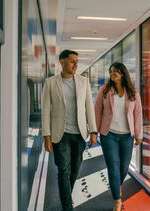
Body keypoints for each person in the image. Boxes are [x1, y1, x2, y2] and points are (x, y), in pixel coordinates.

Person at [42, 49, 97, 211]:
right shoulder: (51, 82)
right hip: (60, 134)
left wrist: (93, 131)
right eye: (72, 61)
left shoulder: (83, 81)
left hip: (79, 133)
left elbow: (89, 107)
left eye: (76, 61)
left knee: (74, 171)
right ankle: (67, 207)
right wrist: (46, 135)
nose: (75, 64)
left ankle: (67, 196)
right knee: (63, 171)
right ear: (62, 62)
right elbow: (46, 111)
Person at [94, 62, 143, 211]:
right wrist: (94, 132)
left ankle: (116, 186)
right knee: (113, 167)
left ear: (123, 73)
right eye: (111, 71)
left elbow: (138, 114)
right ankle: (117, 199)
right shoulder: (104, 90)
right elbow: (97, 111)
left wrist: (138, 134)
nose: (112, 73)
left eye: (115, 71)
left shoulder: (133, 92)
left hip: (127, 136)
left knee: (123, 167)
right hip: (109, 135)